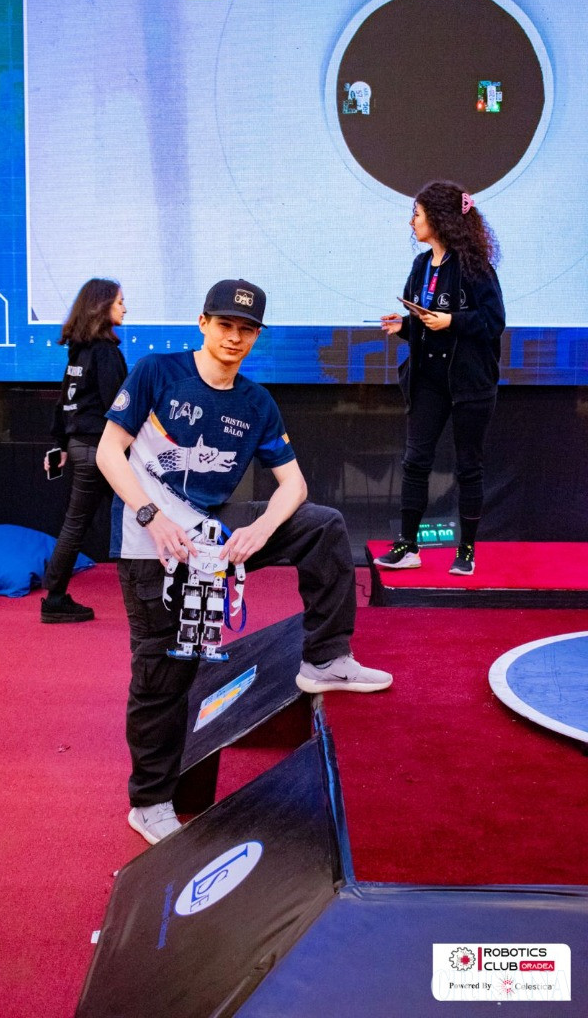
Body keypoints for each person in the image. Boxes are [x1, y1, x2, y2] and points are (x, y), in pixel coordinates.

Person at [96, 278, 392, 845]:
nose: (234, 338)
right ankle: (150, 802)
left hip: (214, 535)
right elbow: (110, 451)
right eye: (225, 325)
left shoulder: (257, 403)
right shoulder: (158, 372)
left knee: (322, 525)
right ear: (203, 324)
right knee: (164, 673)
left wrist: (260, 530)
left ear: (256, 337)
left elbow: (294, 485)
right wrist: (151, 516)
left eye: (247, 330)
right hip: (151, 543)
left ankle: (325, 659)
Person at [376, 180, 505, 576]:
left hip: (470, 383)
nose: (411, 221)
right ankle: (408, 546)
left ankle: (466, 551)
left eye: (417, 214)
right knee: (415, 461)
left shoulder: (474, 267)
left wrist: (452, 321)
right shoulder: (420, 266)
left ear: (439, 218)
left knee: (469, 467)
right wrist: (404, 325)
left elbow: (494, 322)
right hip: (427, 380)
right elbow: (423, 319)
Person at [40, 278, 127, 624]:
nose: (125, 308)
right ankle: (54, 599)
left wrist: (61, 444)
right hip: (100, 450)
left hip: (81, 447)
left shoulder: (79, 350)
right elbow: (119, 407)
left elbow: (64, 401)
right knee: (138, 517)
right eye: (119, 302)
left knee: (79, 524)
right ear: (102, 307)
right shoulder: (105, 352)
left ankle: (55, 597)